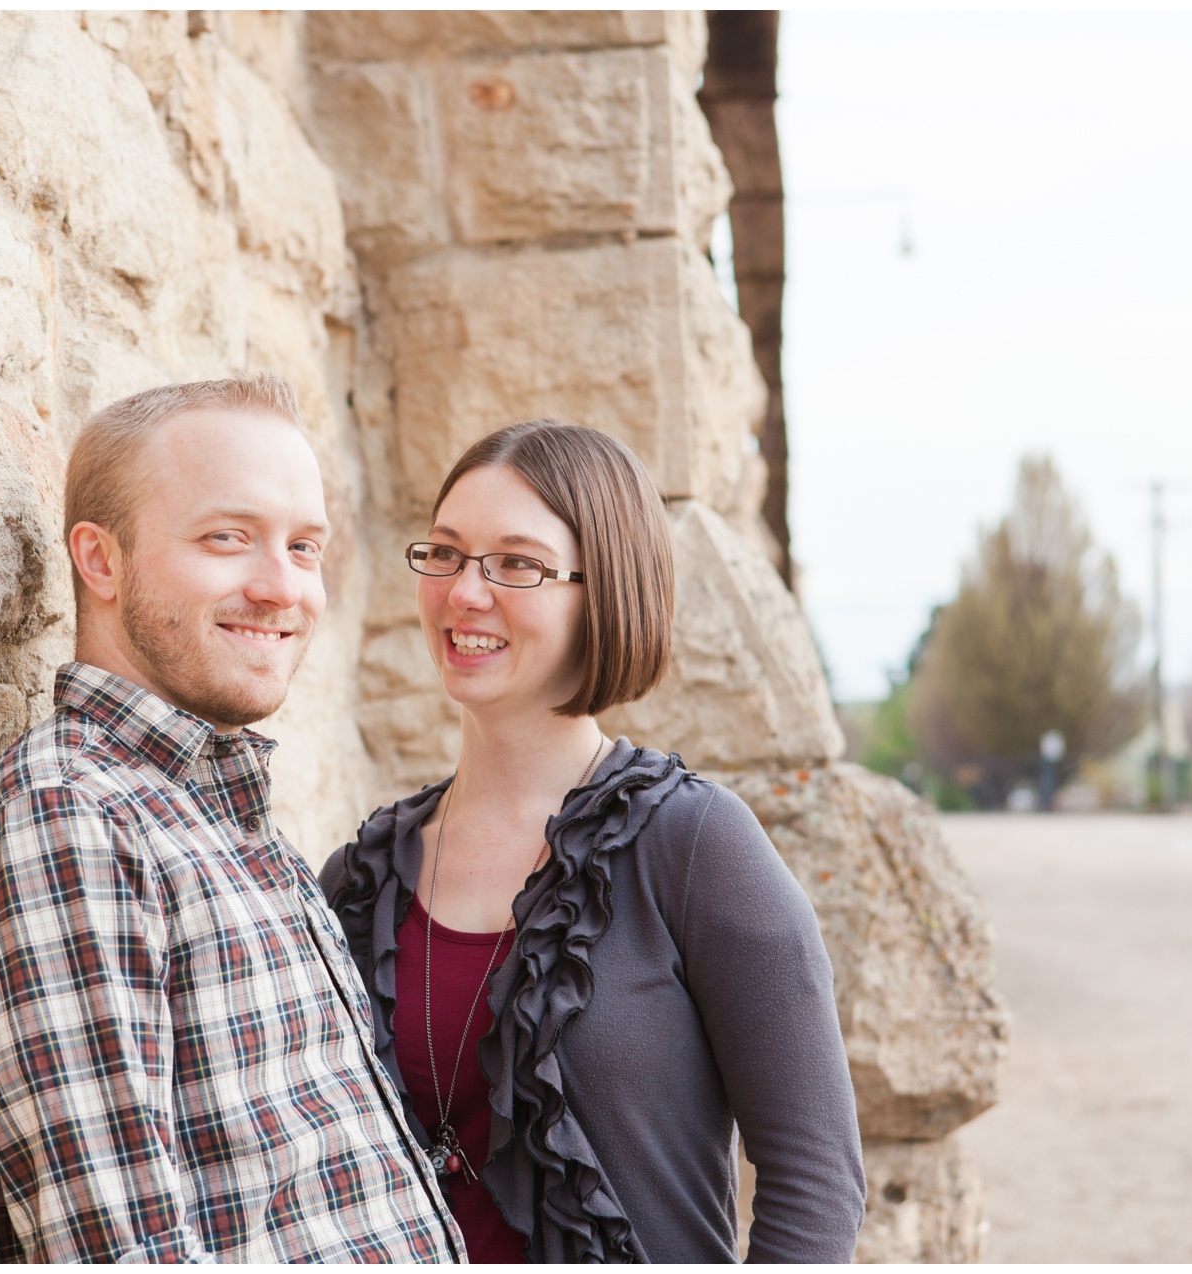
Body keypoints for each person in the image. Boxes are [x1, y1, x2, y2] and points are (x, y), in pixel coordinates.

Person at [0, 374, 464, 1263]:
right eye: (228, 538)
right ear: (100, 560)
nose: (281, 587)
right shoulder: (67, 822)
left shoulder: (227, 818)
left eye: (304, 547)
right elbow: (122, 1253)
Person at [320, 421, 866, 1263]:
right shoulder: (360, 879)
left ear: (605, 589)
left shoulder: (693, 845)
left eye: (517, 564)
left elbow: (816, 1181)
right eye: (447, 553)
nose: (466, 592)